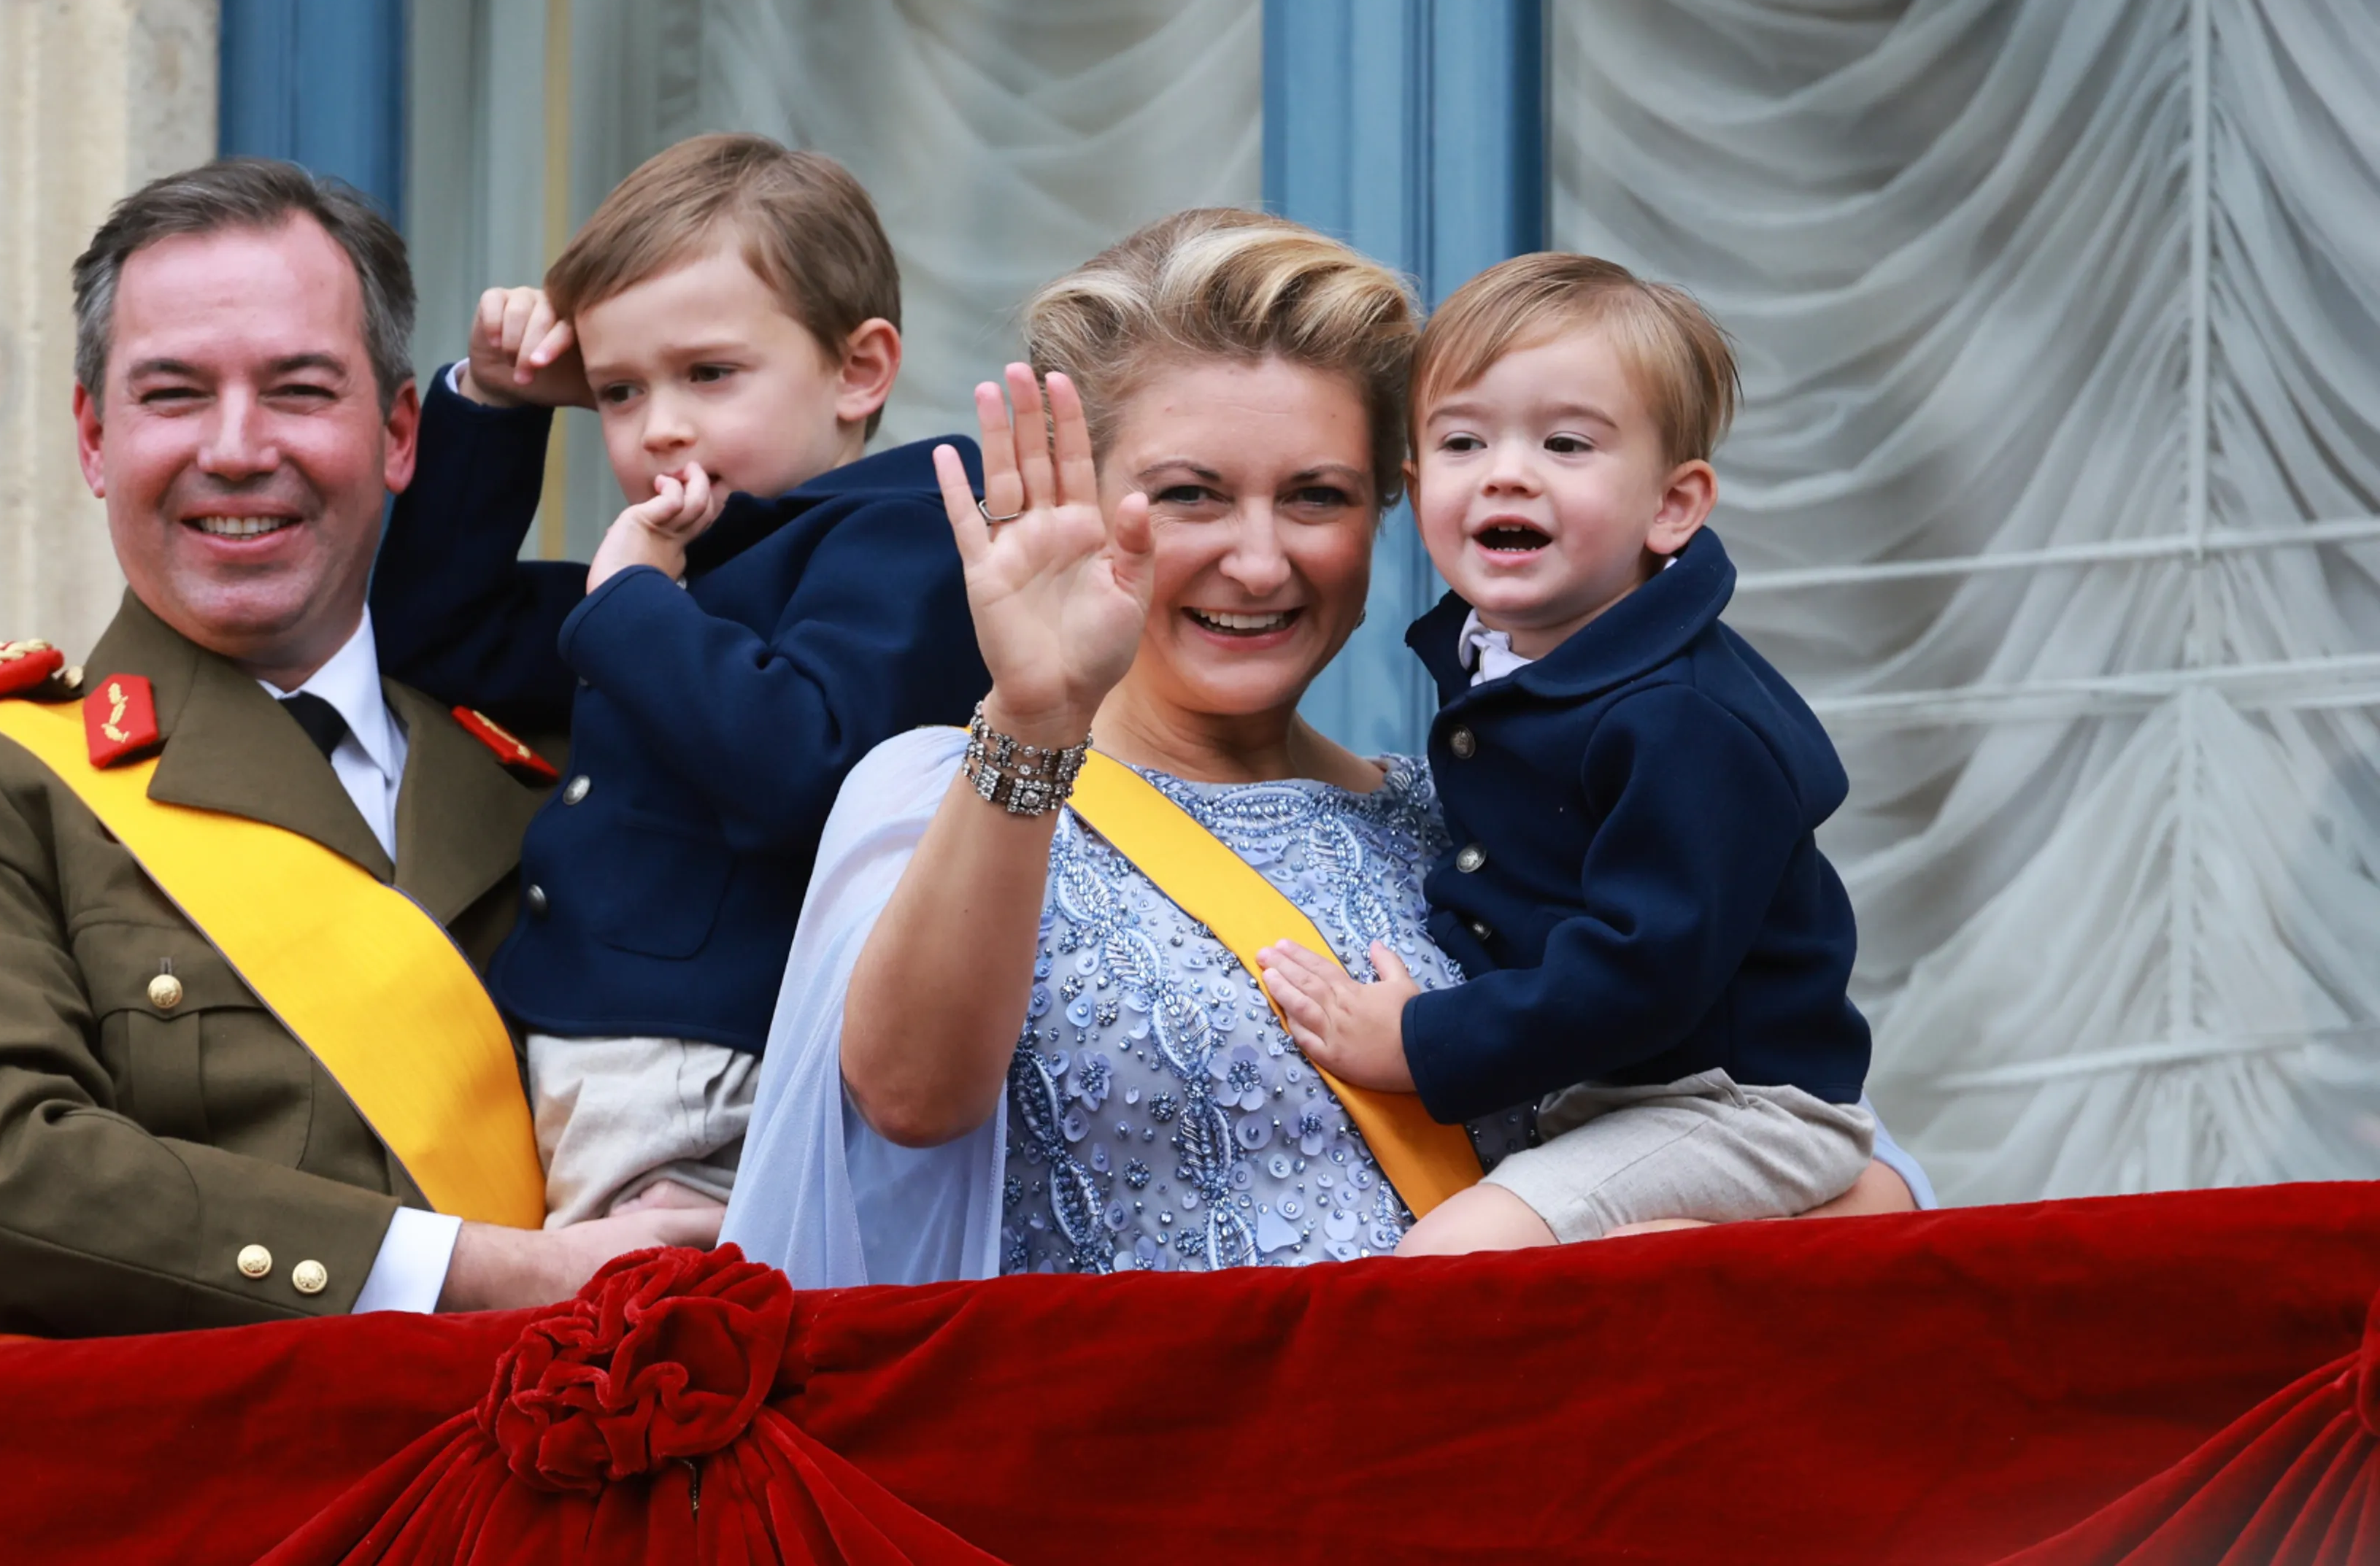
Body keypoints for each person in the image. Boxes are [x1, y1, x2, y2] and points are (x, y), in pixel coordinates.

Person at [724, 207, 1933, 1289]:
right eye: (1191, 495)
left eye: (1317, 496)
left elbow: (1836, 1168)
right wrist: (1035, 718)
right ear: (1084, 499)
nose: (1260, 562)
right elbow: (910, 1102)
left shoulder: (1472, 817)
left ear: (1390, 508)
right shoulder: (967, 784)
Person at [0, 158, 713, 1342]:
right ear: (92, 438)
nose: (235, 450)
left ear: (395, 435)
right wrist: (491, 1275)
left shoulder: (566, 746)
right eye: (173, 394)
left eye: (298, 390)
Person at [368, 134, 990, 1231]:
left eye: (709, 373)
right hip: (577, 1068)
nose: (659, 425)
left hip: (706, 1083)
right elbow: (437, 633)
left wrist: (638, 607)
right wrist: (502, 403)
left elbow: (807, 768)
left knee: (647, 1374)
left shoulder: (906, 536)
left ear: (860, 369)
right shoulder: (681, 575)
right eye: (616, 390)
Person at [1258, 253, 1879, 1256]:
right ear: (1416, 489)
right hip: (1624, 1093)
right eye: (1463, 440)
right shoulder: (1526, 663)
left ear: (1673, 506)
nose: (1507, 470)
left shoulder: (1683, 716)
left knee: (1451, 1261)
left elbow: (1645, 971)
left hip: (1736, 1107)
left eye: (1565, 443)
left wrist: (1419, 1042)